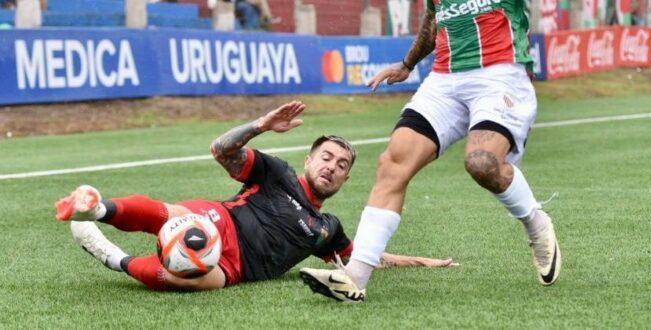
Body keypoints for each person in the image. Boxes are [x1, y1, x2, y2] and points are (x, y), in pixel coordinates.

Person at [299, 0, 562, 302]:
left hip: (499, 73)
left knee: (482, 163)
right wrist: (407, 64)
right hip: (444, 80)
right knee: (392, 163)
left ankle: (535, 223)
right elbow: (433, 18)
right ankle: (354, 278)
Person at [54, 100, 456, 291]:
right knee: (180, 221)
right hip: (220, 223)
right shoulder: (278, 173)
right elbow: (221, 150)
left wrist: (424, 261)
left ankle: (114, 257)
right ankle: (98, 209)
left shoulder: (327, 229)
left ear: (345, 180)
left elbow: (367, 257)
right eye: (326, 157)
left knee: (197, 281)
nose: (331, 167)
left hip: (238, 270)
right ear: (309, 160)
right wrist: (260, 126)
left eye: (341, 165)